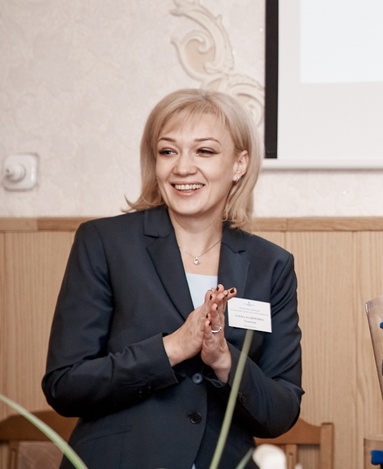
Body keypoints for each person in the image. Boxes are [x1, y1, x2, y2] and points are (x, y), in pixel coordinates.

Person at [42, 89, 303, 469]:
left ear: (239, 164)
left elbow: (281, 412)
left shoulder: (271, 265)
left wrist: (224, 359)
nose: (182, 167)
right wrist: (173, 348)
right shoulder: (104, 243)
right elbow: (65, 385)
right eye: (168, 151)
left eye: (204, 151)